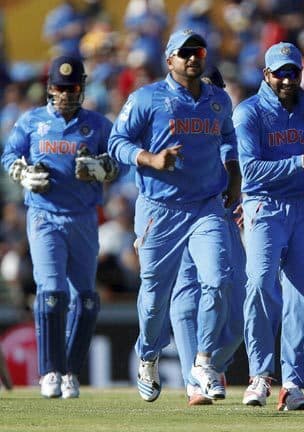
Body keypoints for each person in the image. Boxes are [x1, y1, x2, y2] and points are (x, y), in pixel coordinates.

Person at [107, 29, 240, 403]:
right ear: (170, 60)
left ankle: (203, 362)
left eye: (199, 51)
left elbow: (228, 138)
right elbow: (116, 142)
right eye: (185, 52)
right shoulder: (146, 98)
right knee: (154, 298)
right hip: (160, 210)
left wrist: (233, 175)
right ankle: (148, 355)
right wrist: (150, 159)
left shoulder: (218, 99)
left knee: (218, 279)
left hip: (206, 206)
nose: (194, 57)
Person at [1, 55, 118, 398]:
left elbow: (120, 161)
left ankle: (70, 373)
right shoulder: (31, 121)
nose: (66, 94)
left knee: (87, 299)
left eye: (73, 87)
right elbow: (9, 156)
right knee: (52, 292)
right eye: (61, 88)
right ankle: (50, 371)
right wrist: (24, 174)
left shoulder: (97, 124)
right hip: (44, 216)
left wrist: (102, 168)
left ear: (82, 88)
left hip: (83, 218)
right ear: (50, 88)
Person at [233, 42, 304, 411]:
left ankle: (293, 384)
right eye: (279, 73)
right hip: (264, 206)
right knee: (260, 283)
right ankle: (260, 375)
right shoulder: (249, 112)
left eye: (293, 72)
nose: (286, 79)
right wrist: (302, 162)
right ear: (266, 74)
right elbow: (250, 171)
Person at [168, 71, 245, 406]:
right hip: (183, 219)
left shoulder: (230, 125)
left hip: (224, 220)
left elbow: (248, 166)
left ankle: (212, 365)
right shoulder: (174, 121)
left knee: (238, 312)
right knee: (186, 302)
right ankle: (195, 383)